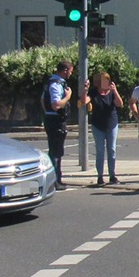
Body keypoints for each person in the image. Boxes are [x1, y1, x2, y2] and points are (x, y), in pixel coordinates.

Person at [80, 72, 124, 186]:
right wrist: (85, 90)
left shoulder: (112, 92)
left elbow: (120, 104)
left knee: (112, 150)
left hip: (112, 124)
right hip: (98, 125)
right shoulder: (93, 92)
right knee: (100, 151)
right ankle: (100, 176)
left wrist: (115, 90)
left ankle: (112, 175)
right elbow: (84, 101)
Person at [42, 60, 73, 190]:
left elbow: (42, 99)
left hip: (51, 119)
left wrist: (46, 113)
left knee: (56, 151)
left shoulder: (51, 82)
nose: (71, 74)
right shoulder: (56, 84)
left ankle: (57, 179)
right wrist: (68, 96)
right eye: (70, 71)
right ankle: (55, 181)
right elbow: (56, 105)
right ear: (64, 71)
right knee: (56, 152)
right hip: (55, 121)